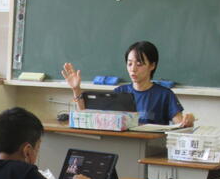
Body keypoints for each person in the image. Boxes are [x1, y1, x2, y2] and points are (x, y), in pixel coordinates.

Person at [62, 40, 195, 127]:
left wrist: (189, 120)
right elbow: (87, 115)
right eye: (129, 63)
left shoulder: (164, 95)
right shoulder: (120, 92)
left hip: (151, 148)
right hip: (123, 144)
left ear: (152, 66)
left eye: (139, 64)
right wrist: (76, 89)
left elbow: (181, 125)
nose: (133, 69)